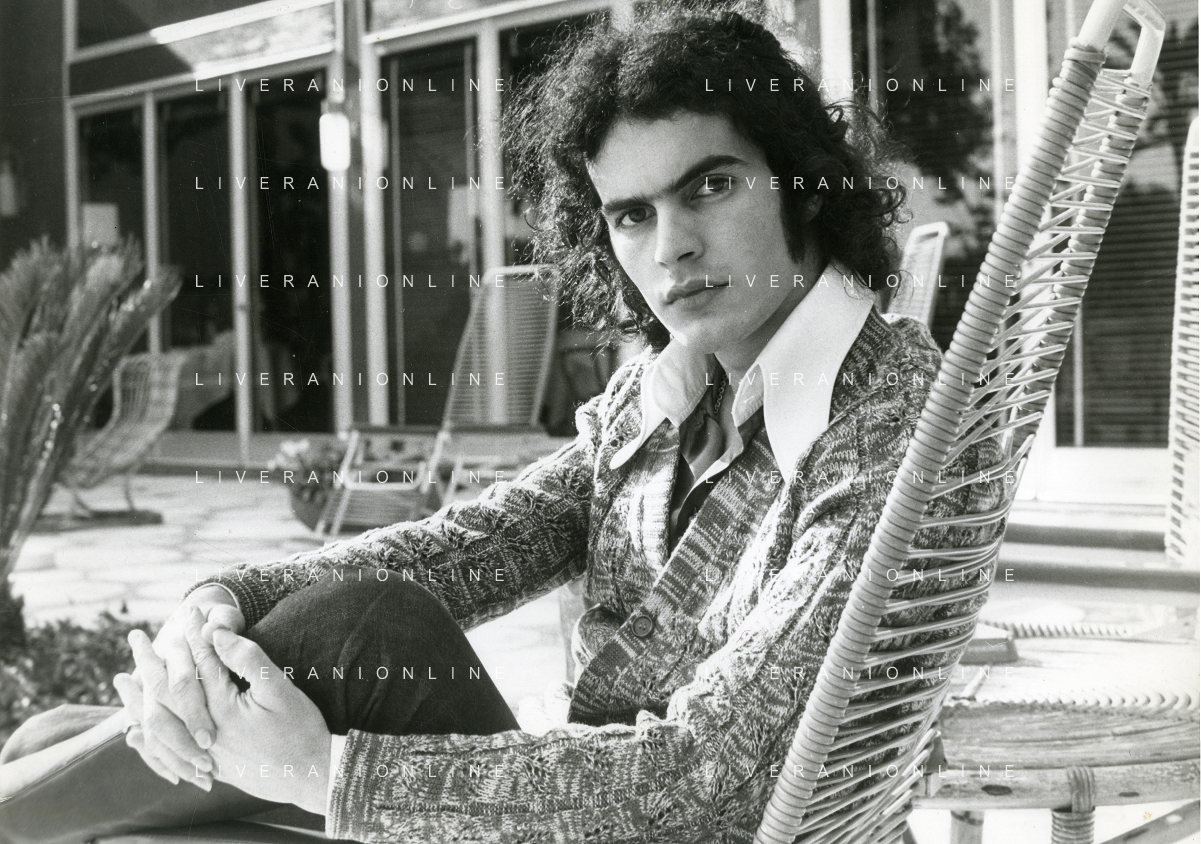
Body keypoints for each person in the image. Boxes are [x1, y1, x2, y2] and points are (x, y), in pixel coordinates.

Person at [0, 8, 1003, 843]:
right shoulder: (662, 401)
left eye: (710, 185)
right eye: (630, 214)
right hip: (595, 815)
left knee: (363, 636)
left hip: (696, 825)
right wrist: (219, 599)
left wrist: (324, 774)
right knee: (62, 743)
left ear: (803, 185)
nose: (672, 246)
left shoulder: (893, 420)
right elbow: (460, 547)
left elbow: (713, 776)